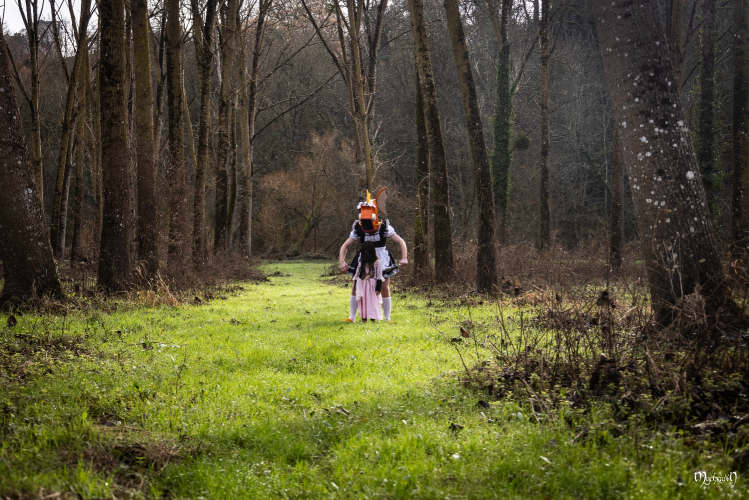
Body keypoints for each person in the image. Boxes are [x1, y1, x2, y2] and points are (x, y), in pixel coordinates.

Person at [339, 189, 408, 323]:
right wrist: (341, 261)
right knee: (356, 286)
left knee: (384, 287)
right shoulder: (359, 228)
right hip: (364, 259)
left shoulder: (384, 228)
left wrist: (404, 257)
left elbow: (400, 241)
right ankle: (352, 317)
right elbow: (345, 246)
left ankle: (387, 318)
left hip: (381, 258)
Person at [353, 242, 383, 321]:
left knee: (372, 301)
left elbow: (379, 276)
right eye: (364, 252)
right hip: (362, 284)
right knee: (363, 301)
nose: (366, 254)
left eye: (367, 252)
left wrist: (378, 288)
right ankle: (364, 318)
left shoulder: (377, 262)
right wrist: (355, 288)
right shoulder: (361, 262)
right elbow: (357, 275)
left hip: (372, 285)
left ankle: (373, 317)